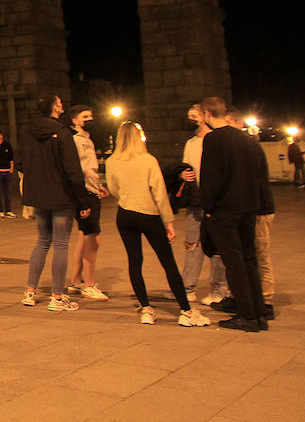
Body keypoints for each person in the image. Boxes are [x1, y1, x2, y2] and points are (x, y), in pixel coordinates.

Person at [105, 122, 210, 327]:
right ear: (139, 137)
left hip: (125, 214)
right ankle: (186, 311)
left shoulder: (112, 161)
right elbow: (159, 193)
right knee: (167, 263)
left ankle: (146, 308)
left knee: (134, 262)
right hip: (148, 214)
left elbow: (113, 189)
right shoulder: (148, 160)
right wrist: (168, 222)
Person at [198, 96, 274, 332]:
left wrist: (208, 208)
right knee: (250, 259)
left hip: (225, 211)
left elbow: (212, 177)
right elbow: (261, 175)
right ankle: (259, 312)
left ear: (207, 114)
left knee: (234, 263)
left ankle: (246, 316)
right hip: (249, 209)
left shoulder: (213, 140)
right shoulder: (248, 140)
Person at [18, 93, 91, 312]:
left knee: (42, 241)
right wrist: (83, 200)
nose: (62, 106)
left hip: (40, 196)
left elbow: (21, 163)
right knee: (60, 244)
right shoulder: (62, 133)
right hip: (61, 196)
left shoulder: (29, 133)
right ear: (54, 107)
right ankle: (57, 297)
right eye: (59, 103)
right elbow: (72, 169)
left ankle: (30, 292)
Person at [179, 104, 227, 306]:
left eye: (193, 116)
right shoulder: (190, 142)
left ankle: (219, 288)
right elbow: (185, 165)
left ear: (204, 116)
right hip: (195, 200)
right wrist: (182, 174)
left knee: (216, 245)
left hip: (214, 200)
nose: (190, 120)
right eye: (188, 116)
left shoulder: (215, 140)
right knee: (192, 244)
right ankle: (187, 288)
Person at [64, 106, 109, 301]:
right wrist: (85, 193)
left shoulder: (87, 139)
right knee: (93, 237)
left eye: (91, 115)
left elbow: (91, 168)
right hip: (84, 193)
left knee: (84, 235)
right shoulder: (75, 140)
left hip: (92, 189)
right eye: (85, 117)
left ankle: (75, 280)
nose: (90, 119)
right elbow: (79, 169)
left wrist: (98, 185)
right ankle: (88, 284)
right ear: (74, 120)